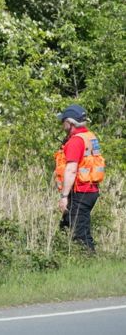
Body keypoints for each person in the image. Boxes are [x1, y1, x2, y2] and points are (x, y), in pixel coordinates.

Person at [54, 104, 105, 252]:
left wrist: (64, 196)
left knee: (80, 233)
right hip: (90, 190)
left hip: (81, 192)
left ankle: (88, 261)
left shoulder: (76, 141)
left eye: (63, 121)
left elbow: (70, 170)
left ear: (69, 123)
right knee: (68, 224)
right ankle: (62, 254)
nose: (62, 124)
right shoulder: (89, 136)